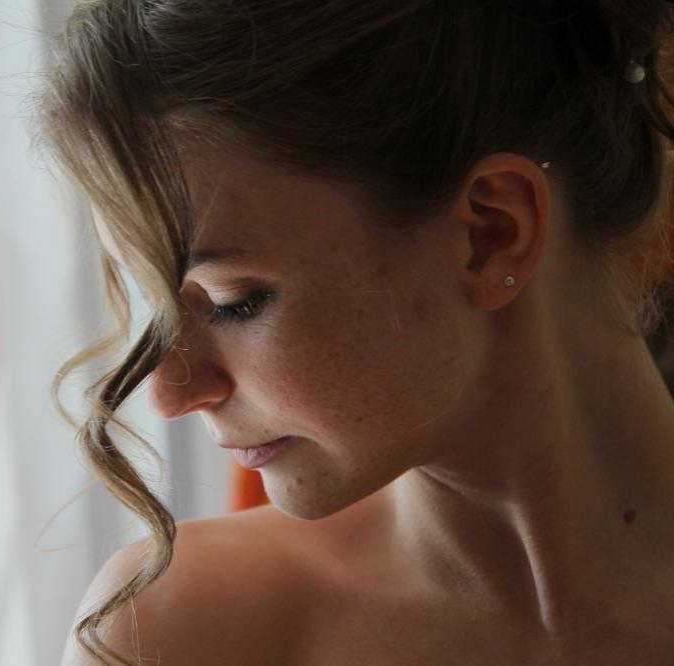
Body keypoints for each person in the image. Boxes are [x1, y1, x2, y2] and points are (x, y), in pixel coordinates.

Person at [36, 1, 674, 663]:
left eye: (233, 302)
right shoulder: (179, 635)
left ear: (491, 235)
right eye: (154, 305)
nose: (170, 393)